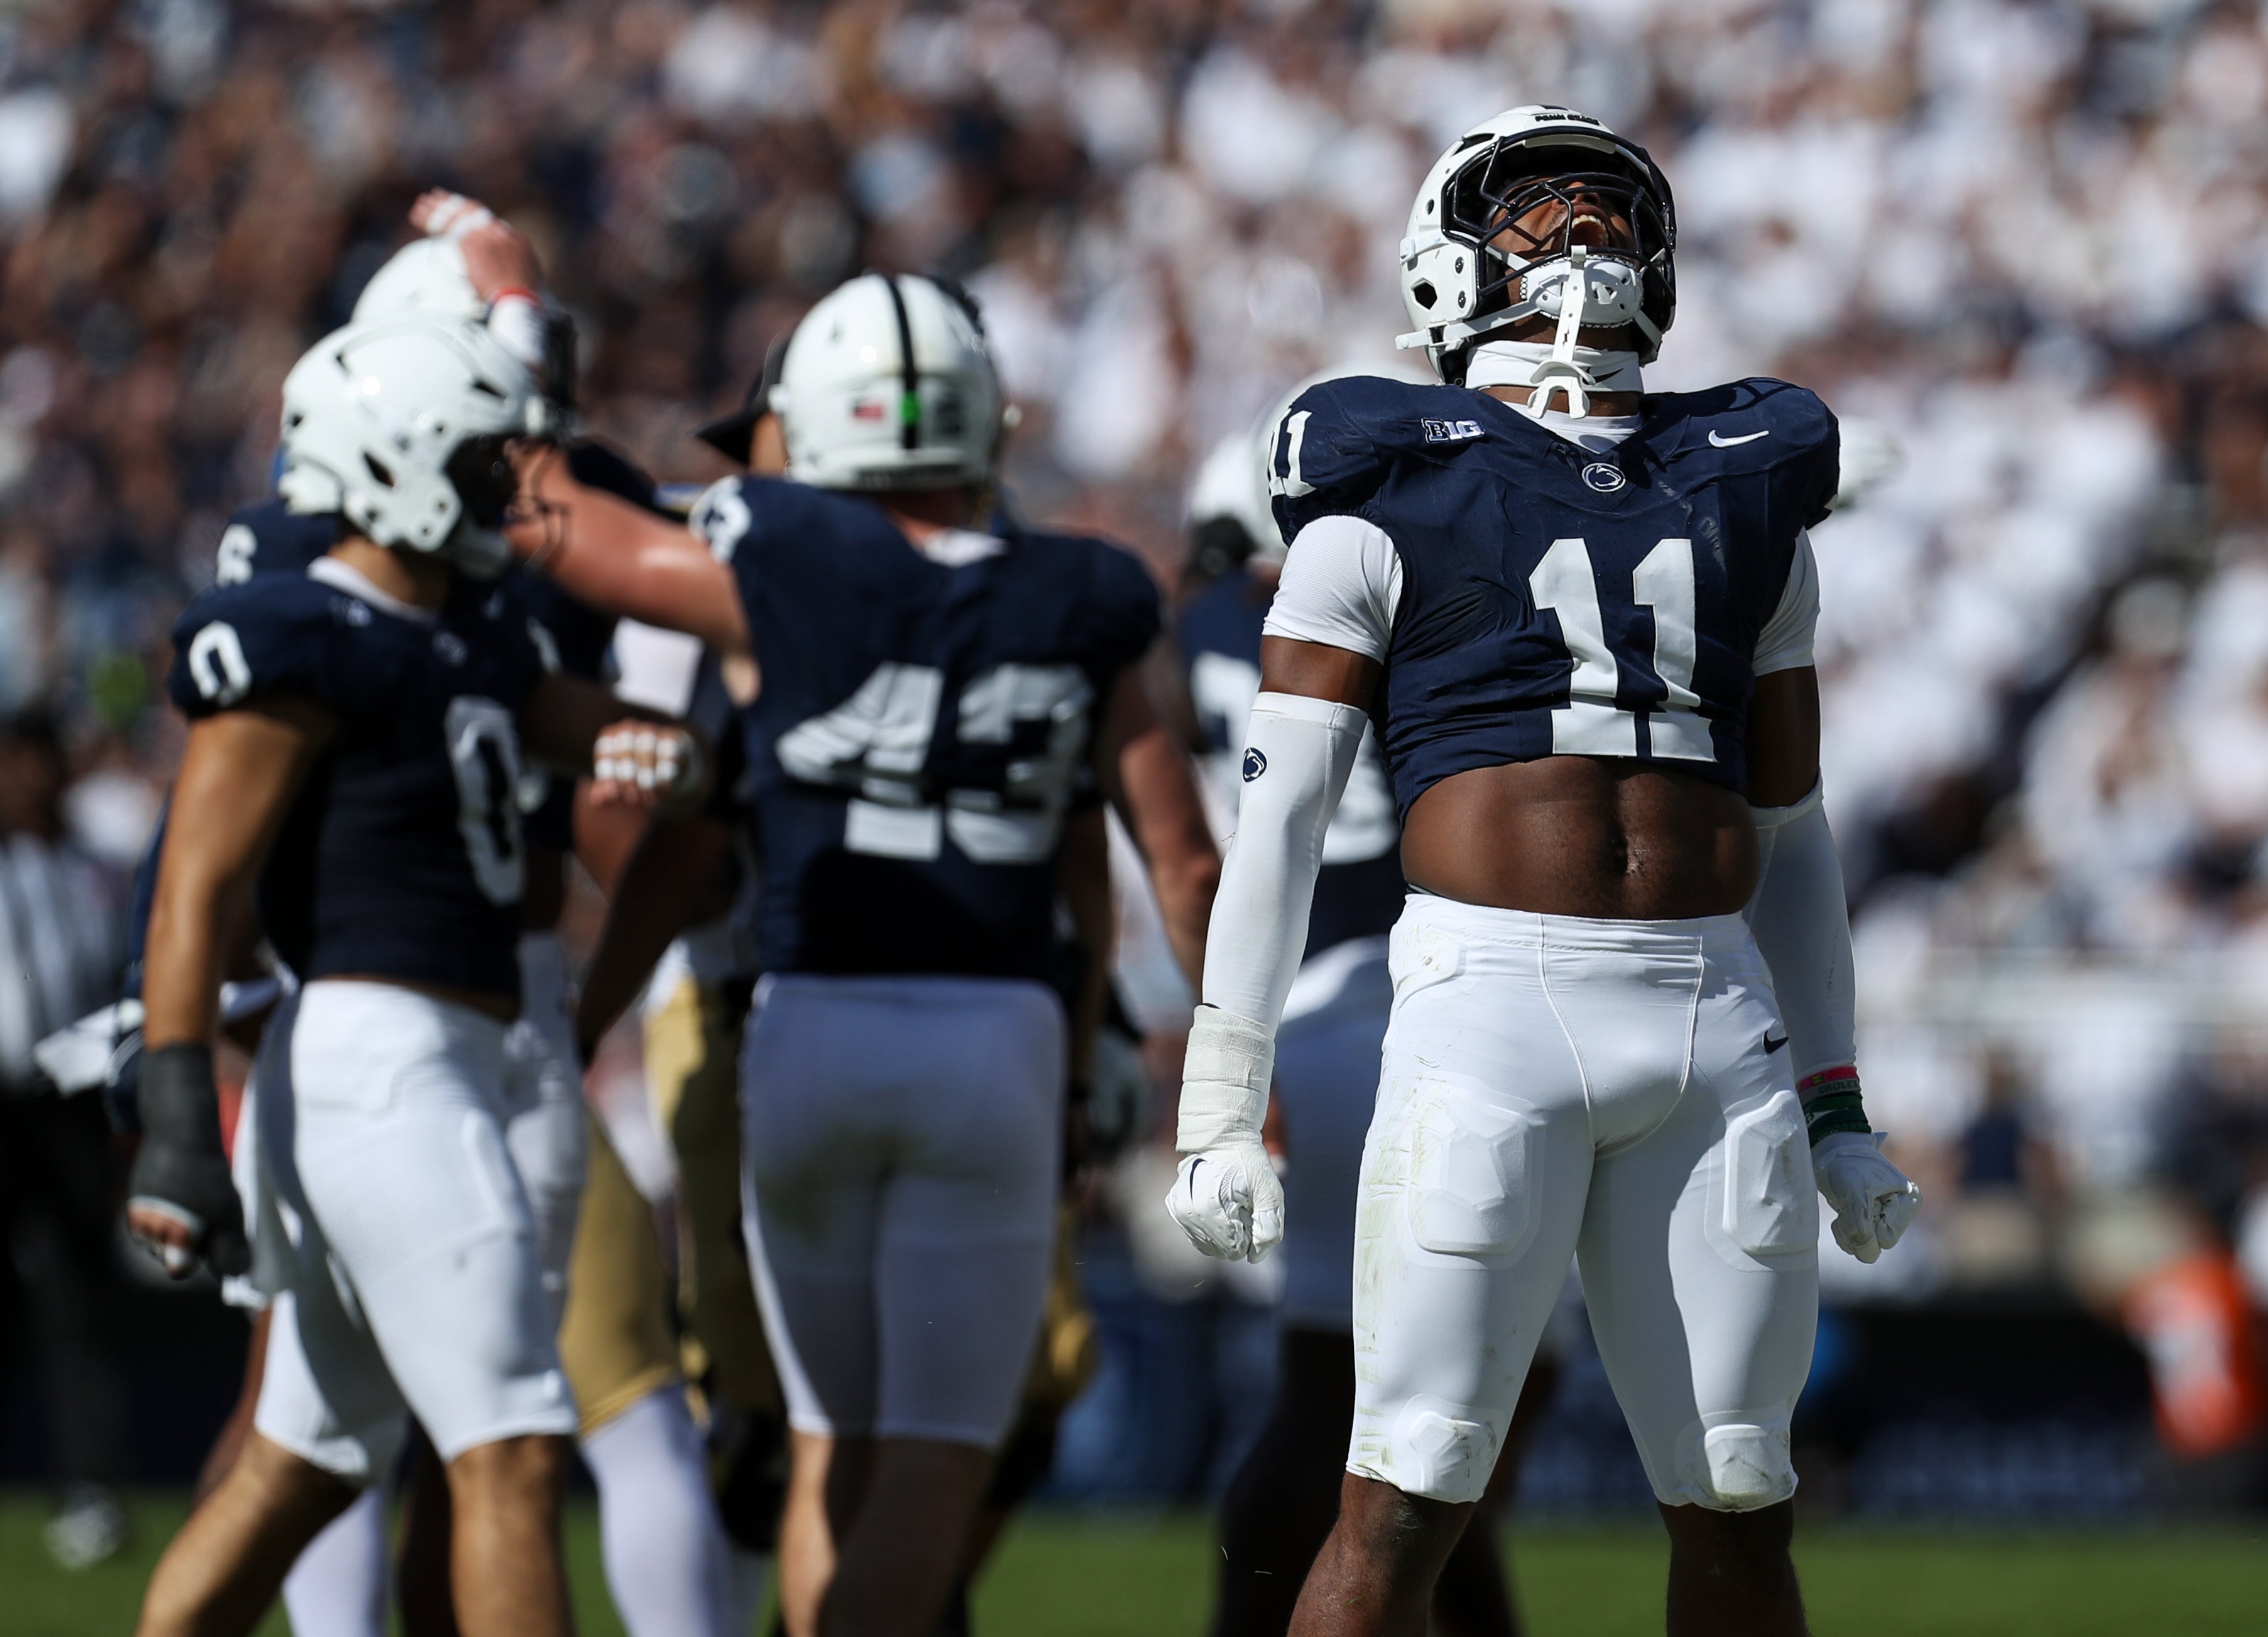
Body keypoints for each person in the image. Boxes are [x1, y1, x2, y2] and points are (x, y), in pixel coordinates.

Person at [1162, 106, 1922, 1637]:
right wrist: (1217, 1106)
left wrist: (1835, 1097)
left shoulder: (1747, 488)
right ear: (1445, 266)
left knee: (1735, 1497)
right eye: (1529, 212)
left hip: (1710, 1009)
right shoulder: (1374, 484)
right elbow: (1278, 828)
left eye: (1599, 208)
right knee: (1399, 1495)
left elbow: (1790, 830)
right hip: (1480, 1001)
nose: (1573, 234)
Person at [506, 269, 1222, 1637]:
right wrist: (1231, 1074)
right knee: (930, 1473)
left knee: (832, 1444)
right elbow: (1177, 863)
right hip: (989, 1043)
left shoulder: (771, 558)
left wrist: (506, 334)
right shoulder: (1082, 590)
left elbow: (550, 522)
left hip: (805, 1028)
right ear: (989, 419)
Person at [126, 310, 702, 1637]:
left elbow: (622, 734)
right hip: (378, 1065)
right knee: (510, 1448)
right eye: (481, 459)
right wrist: (172, 1119)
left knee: (299, 1463)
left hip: (442, 1062)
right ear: (392, 460)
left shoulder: (470, 633)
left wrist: (664, 754)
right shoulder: (297, 635)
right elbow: (196, 890)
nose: (509, 488)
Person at [1178, 415, 1537, 1637]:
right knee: (1402, 1423)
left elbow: (1202, 862)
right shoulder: (1407, 607)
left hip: (1311, 1004)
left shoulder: (1204, 632)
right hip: (1428, 996)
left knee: (1363, 1411)